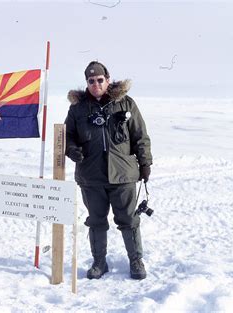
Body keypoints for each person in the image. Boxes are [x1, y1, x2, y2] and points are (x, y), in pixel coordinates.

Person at [65, 61, 152, 280]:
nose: (96, 84)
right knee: (96, 220)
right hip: (91, 176)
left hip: (122, 174)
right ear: (87, 82)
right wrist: (72, 150)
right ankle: (99, 263)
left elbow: (140, 136)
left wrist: (145, 164)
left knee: (128, 219)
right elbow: (66, 136)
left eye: (100, 80)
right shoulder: (78, 108)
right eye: (91, 81)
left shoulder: (125, 104)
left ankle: (136, 261)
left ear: (108, 79)